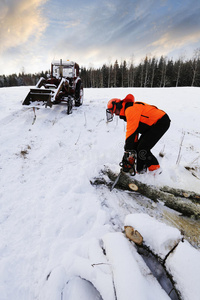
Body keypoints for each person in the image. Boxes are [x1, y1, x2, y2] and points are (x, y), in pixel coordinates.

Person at [106, 94, 170, 174]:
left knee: (143, 148)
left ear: (118, 106)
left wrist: (127, 150)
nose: (115, 114)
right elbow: (134, 131)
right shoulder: (128, 110)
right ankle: (141, 170)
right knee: (138, 148)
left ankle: (156, 170)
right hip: (152, 125)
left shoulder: (130, 110)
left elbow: (131, 131)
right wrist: (132, 148)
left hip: (161, 122)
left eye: (114, 111)